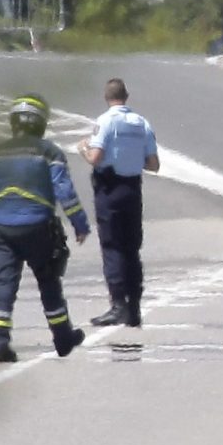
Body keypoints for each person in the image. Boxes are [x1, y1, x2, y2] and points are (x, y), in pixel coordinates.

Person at [0, 93, 88, 363]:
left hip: (3, 227)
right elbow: (64, 191)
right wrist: (80, 223)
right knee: (49, 280)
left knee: (3, 282)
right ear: (41, 123)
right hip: (38, 226)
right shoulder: (49, 152)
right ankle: (63, 338)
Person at [82, 77, 160, 328]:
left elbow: (95, 157)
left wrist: (83, 148)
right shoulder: (141, 123)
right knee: (131, 247)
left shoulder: (105, 122)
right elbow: (153, 165)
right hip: (132, 188)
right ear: (127, 96)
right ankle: (134, 307)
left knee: (112, 245)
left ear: (107, 97)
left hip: (110, 188)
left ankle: (118, 305)